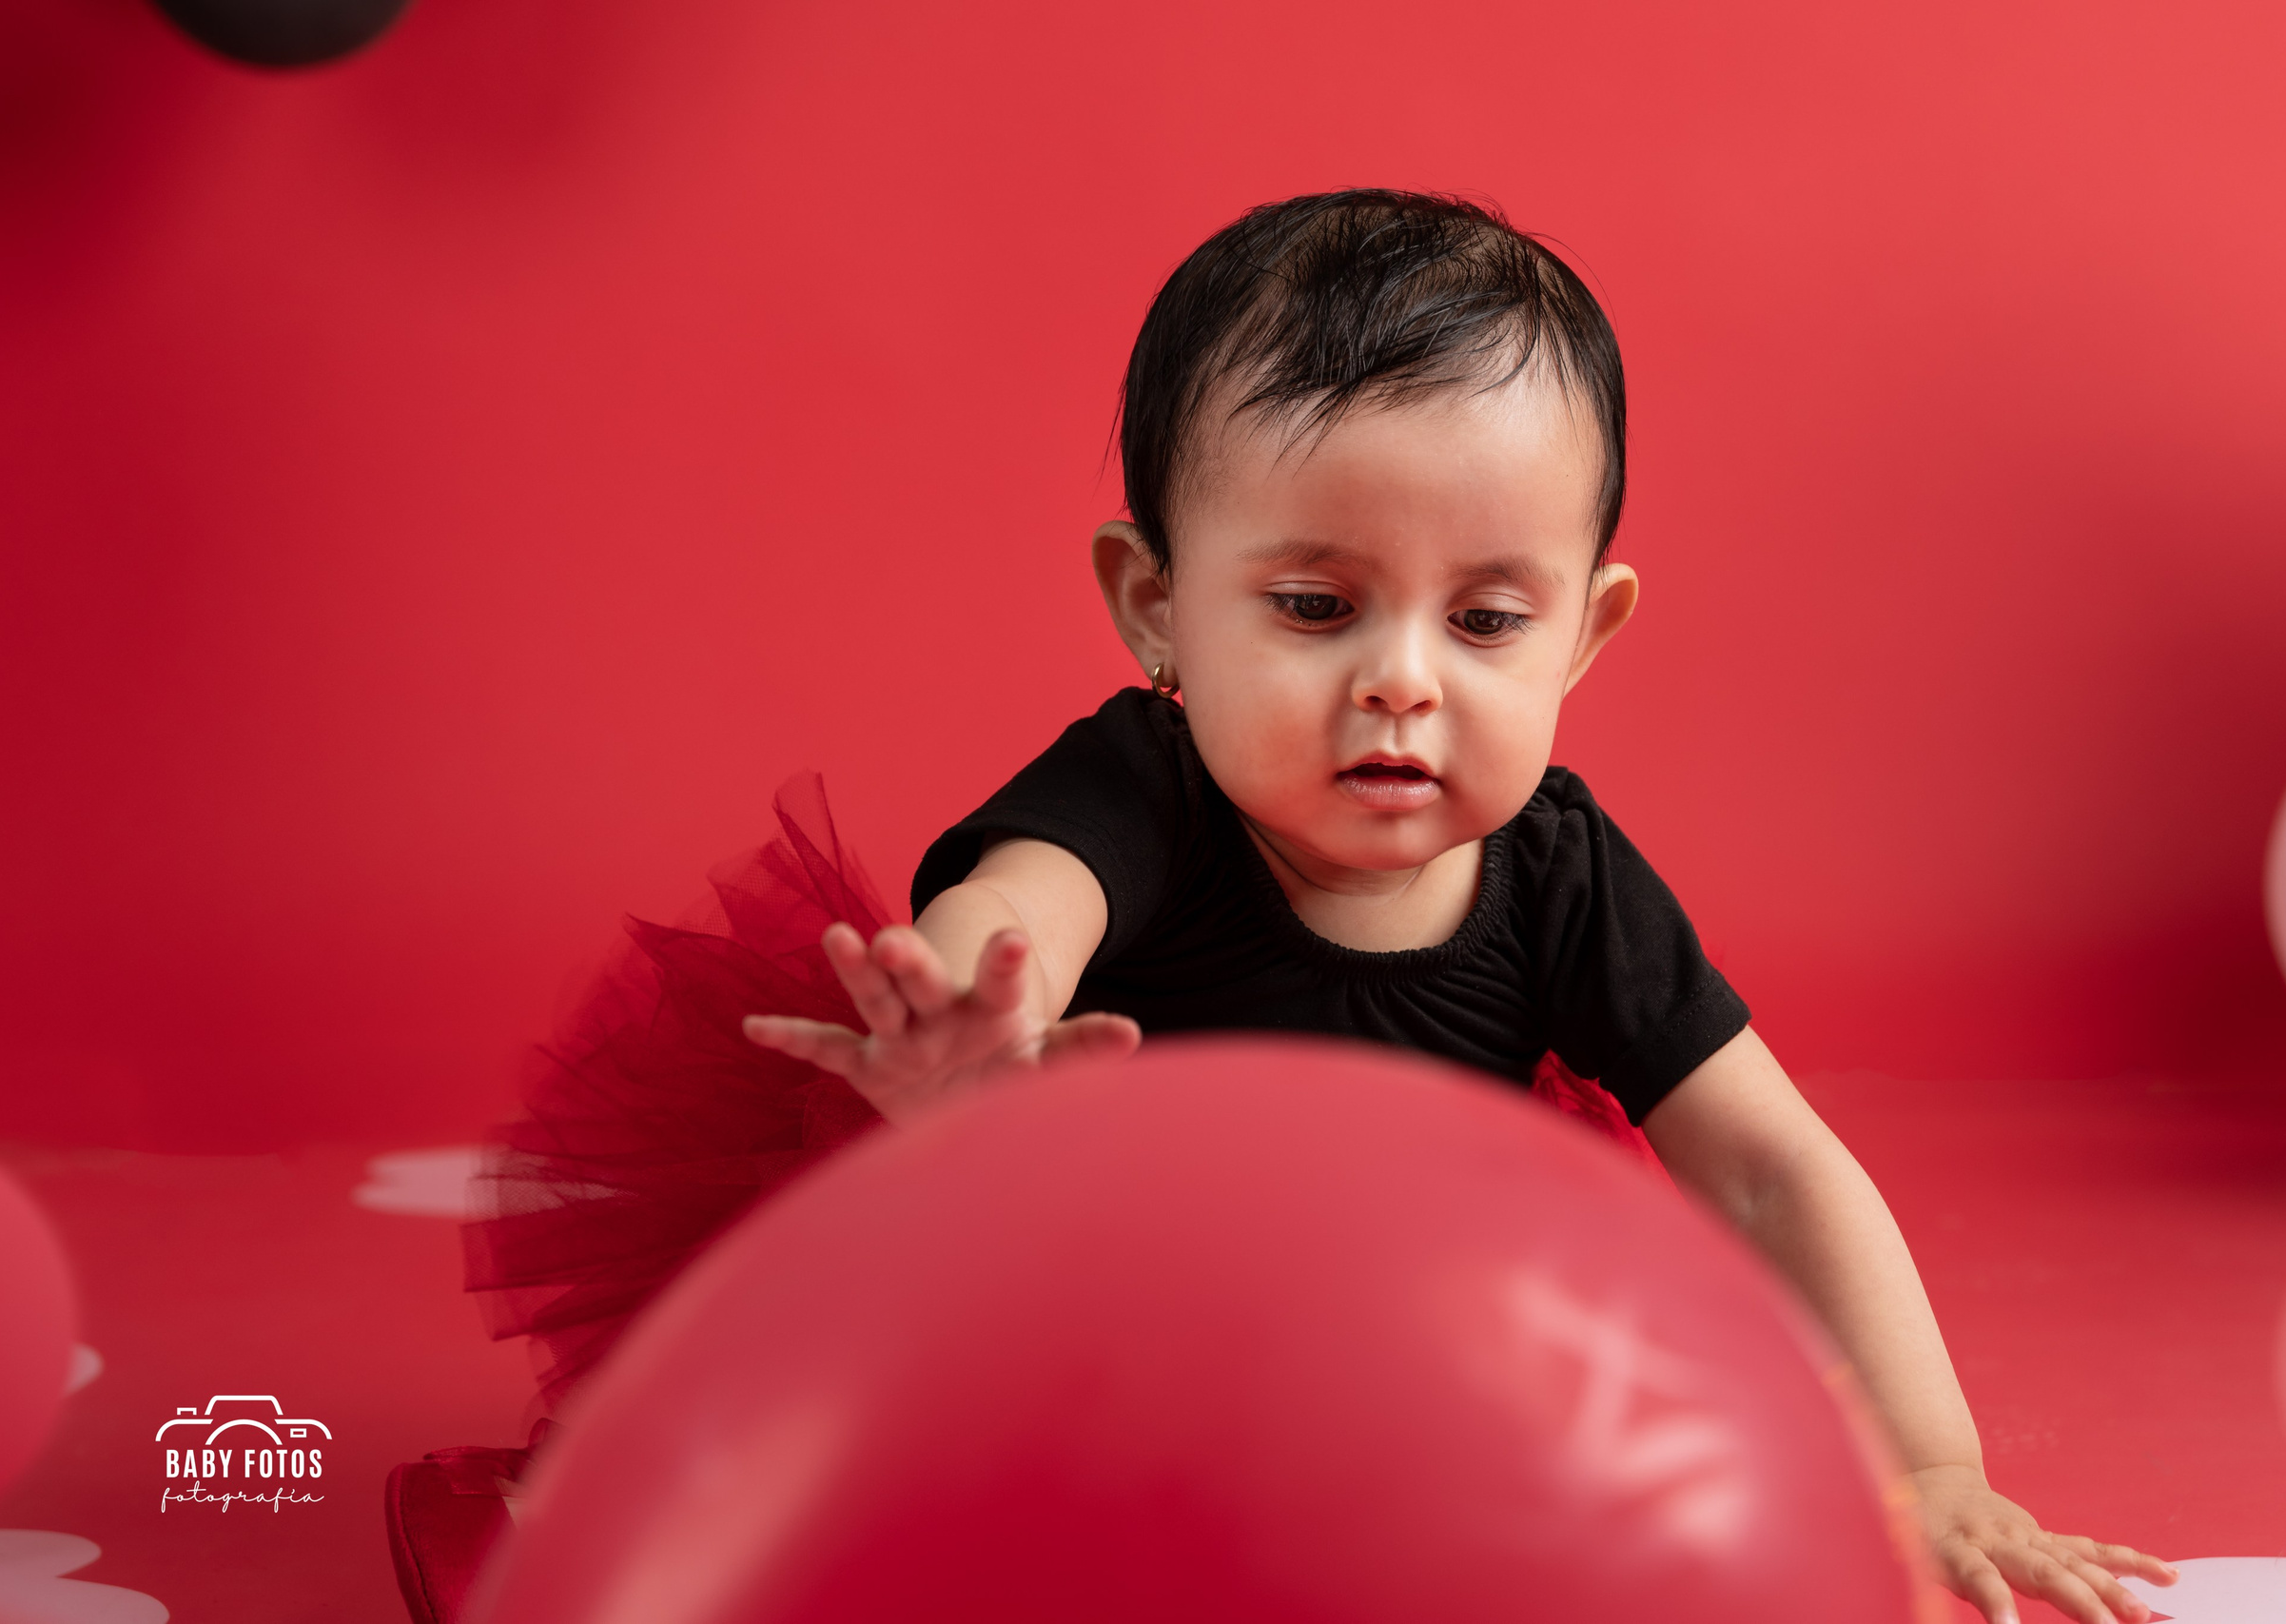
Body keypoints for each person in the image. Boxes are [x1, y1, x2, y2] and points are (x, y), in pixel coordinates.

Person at [449, 190, 2169, 1624]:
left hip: (1385, 1355)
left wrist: (1930, 1468)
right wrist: (982, 1016)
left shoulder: (1560, 874)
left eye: (1487, 621)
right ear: (1159, 608)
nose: (1401, 683)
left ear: (1587, 631)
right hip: (1085, 1321)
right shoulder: (1150, 793)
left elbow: (1773, 1164)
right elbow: (1024, 898)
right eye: (1314, 603)